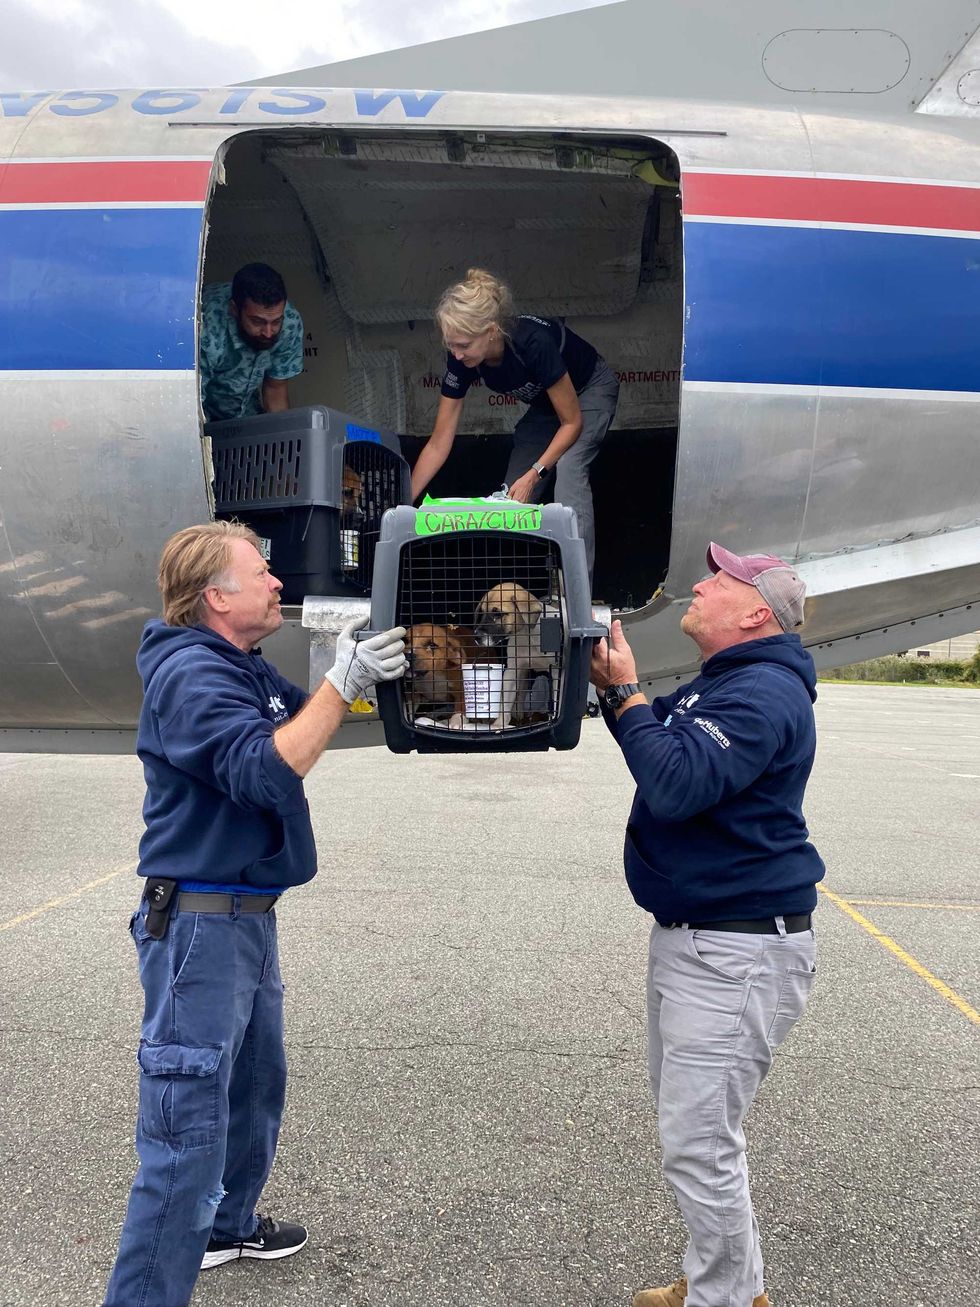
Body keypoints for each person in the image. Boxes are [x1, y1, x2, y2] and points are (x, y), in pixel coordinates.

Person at [102, 520, 406, 1307]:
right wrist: (342, 678)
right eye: (261, 572)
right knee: (184, 1143)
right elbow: (265, 770)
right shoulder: (191, 675)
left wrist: (370, 674)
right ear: (215, 596)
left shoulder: (243, 667)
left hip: (244, 919)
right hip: (200, 930)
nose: (278, 582)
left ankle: (227, 1226)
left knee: (252, 1088)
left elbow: (310, 724)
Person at [590, 543, 824, 1307]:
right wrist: (617, 695)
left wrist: (628, 694)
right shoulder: (726, 681)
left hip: (737, 946)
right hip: (705, 936)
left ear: (756, 612)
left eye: (719, 578)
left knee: (699, 1142)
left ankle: (723, 1297)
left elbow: (676, 782)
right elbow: (661, 742)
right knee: (696, 1134)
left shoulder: (762, 692)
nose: (699, 583)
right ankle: (727, 1284)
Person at [410, 267, 619, 580]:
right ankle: (516, 588)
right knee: (509, 500)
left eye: (463, 345)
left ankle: (579, 589)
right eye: (451, 345)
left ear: (491, 331)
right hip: (547, 406)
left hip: (589, 390)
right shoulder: (461, 358)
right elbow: (439, 442)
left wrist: (535, 473)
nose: (456, 354)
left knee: (569, 469)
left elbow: (572, 423)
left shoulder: (533, 343)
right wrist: (403, 501)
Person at [199, 262, 304, 422]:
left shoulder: (289, 324)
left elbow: (275, 390)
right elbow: (189, 403)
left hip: (246, 410)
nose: (268, 332)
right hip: (201, 407)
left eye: (276, 322)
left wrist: (282, 434)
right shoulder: (206, 327)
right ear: (234, 309)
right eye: (257, 322)